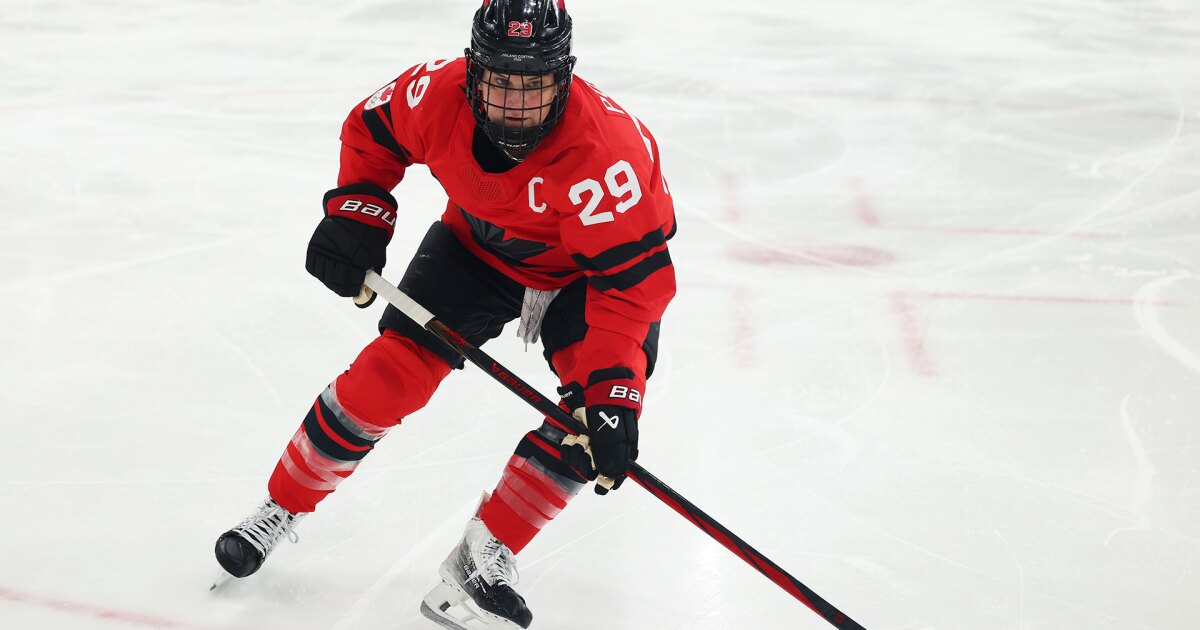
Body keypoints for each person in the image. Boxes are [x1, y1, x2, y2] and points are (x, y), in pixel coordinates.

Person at [213, 1, 676, 628]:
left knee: (593, 422)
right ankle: (281, 506)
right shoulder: (435, 93)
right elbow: (371, 131)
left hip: (586, 280)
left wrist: (617, 391)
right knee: (384, 378)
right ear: (472, 69)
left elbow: (630, 287)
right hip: (476, 248)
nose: (515, 104)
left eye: (534, 83)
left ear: (564, 75)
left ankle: (488, 549)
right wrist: (359, 209)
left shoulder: (607, 155)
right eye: (501, 81)